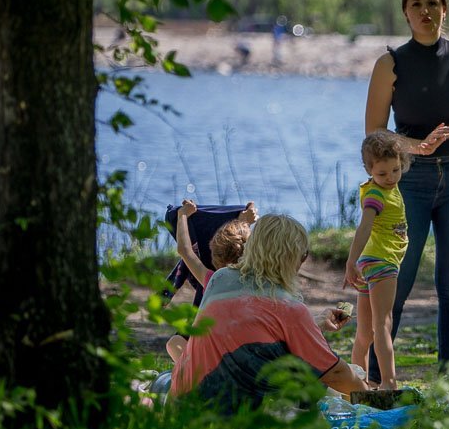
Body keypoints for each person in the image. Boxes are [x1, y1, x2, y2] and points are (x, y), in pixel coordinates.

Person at [364, 0, 449, 378]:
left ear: (445, 9)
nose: (425, 11)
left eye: (433, 3)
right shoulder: (390, 63)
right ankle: (377, 380)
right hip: (409, 184)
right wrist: (413, 145)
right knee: (393, 286)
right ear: (405, 12)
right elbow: (374, 131)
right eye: (416, 4)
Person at [170, 214, 366, 413]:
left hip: (182, 406)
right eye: (304, 254)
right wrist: (370, 398)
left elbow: (251, 328)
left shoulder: (220, 279)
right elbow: (335, 373)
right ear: (292, 257)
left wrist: (314, 322)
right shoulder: (289, 308)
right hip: (228, 419)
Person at [342, 131, 411, 391]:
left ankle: (355, 383)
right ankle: (389, 382)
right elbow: (364, 228)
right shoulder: (376, 195)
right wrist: (350, 261)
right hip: (381, 262)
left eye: (396, 170)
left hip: (370, 262)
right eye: (382, 174)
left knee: (366, 331)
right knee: (383, 323)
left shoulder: (386, 187)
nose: (391, 178)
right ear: (369, 170)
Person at [165, 199, 257, 362]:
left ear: (214, 254)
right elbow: (241, 250)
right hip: (245, 352)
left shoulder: (213, 281)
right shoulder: (257, 279)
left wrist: (182, 216)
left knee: (174, 343)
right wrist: (244, 223)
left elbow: (185, 250)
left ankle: (191, 376)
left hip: (214, 357)